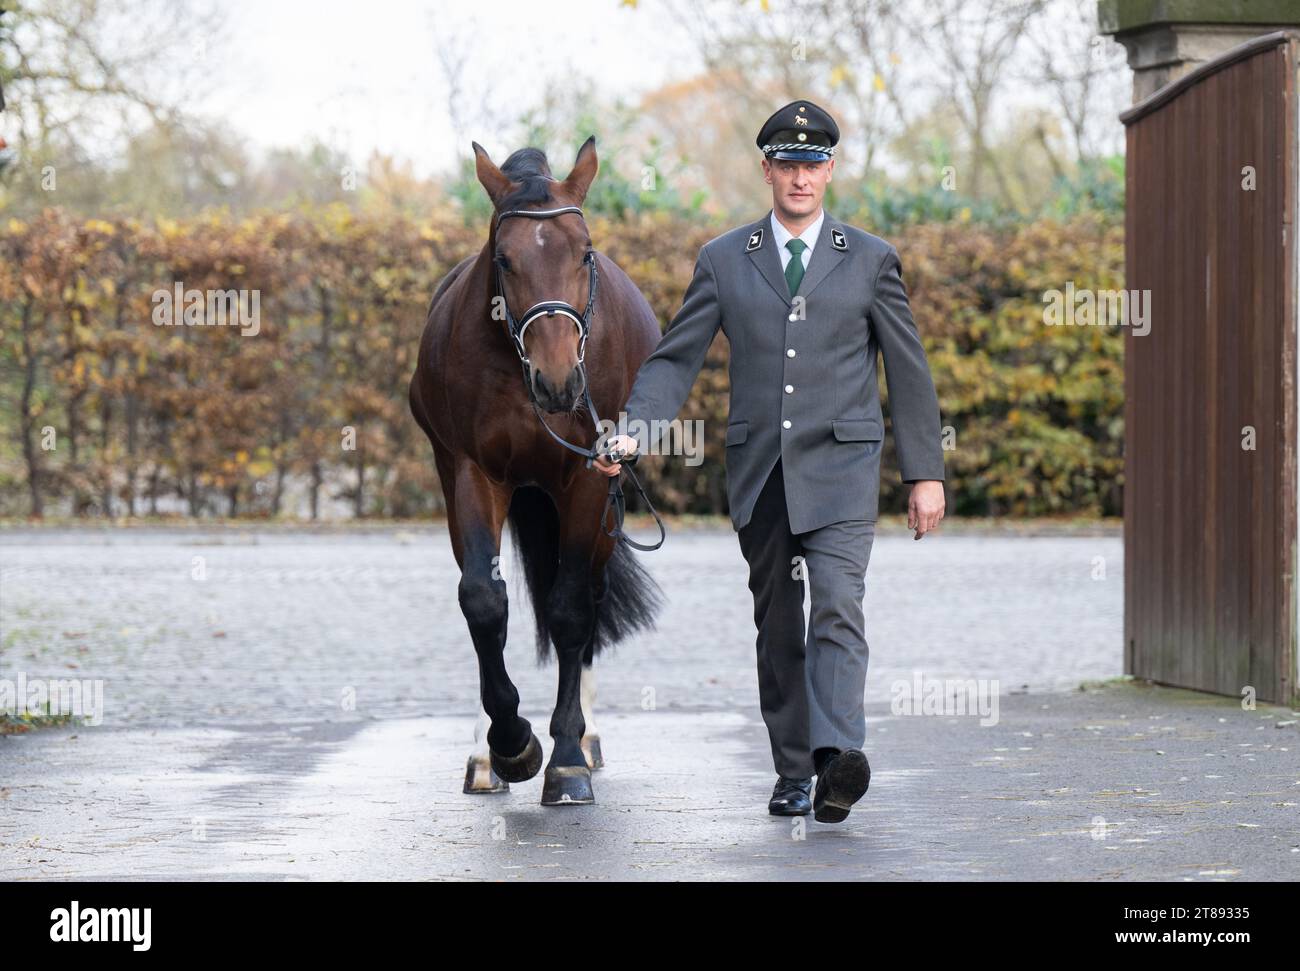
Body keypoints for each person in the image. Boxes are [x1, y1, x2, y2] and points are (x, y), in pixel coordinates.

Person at [595, 99, 946, 822]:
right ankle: (793, 768)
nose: (800, 177)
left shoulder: (872, 260)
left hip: (844, 474)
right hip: (763, 476)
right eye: (787, 164)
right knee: (779, 624)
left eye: (813, 163)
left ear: (831, 169)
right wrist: (632, 432)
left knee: (839, 607)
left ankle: (837, 758)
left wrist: (925, 473)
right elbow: (674, 359)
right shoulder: (725, 260)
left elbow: (909, 373)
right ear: (766, 170)